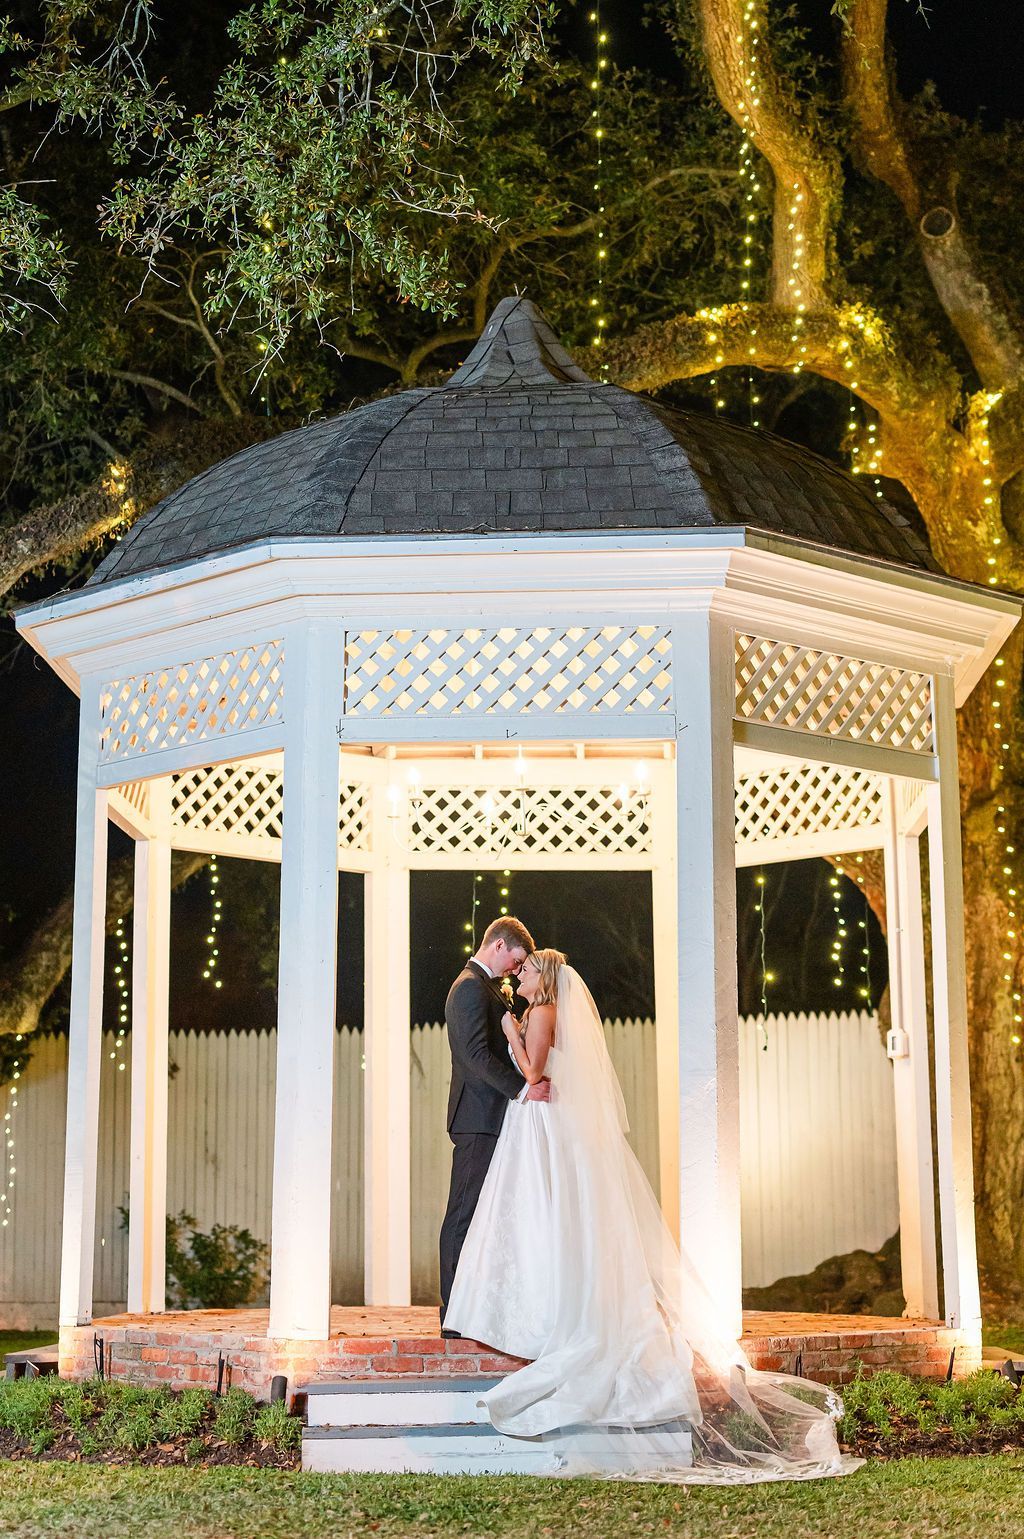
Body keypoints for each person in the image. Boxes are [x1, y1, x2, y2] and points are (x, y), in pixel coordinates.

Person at [443, 948, 863, 1484]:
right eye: (515, 967)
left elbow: (533, 1069)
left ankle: (545, 1306)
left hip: (543, 1119)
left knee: (546, 1220)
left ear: (541, 978)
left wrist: (508, 1029)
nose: (516, 975)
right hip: (540, 1122)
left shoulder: (542, 1013)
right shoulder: (539, 1010)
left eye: (524, 970)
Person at [438, 916, 551, 1334]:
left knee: (485, 1217)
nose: (514, 970)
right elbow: (475, 1056)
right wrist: (524, 1090)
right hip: (477, 1118)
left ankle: (476, 1306)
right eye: (515, 960)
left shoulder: (484, 986)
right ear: (500, 946)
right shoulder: (468, 987)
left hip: (491, 1117)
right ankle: (452, 1315)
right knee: (463, 1215)